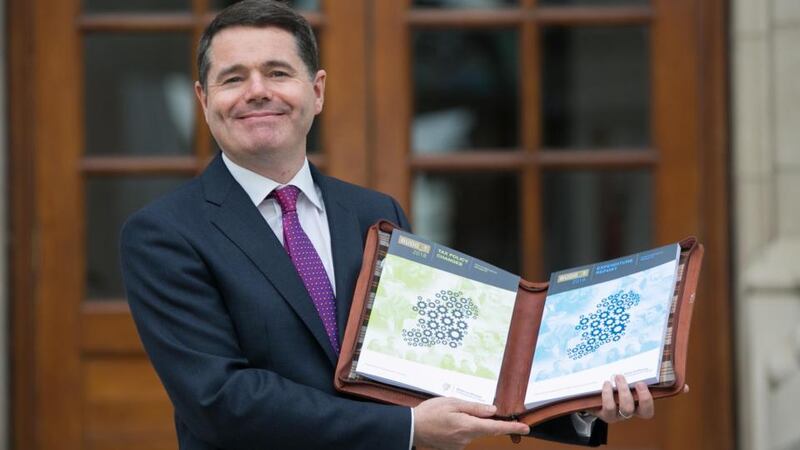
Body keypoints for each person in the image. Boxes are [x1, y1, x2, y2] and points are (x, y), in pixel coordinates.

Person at [120, 1, 656, 449]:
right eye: (234, 78)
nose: (257, 90)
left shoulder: (373, 213)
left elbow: (441, 357)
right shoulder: (164, 236)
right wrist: (406, 429)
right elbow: (220, 400)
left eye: (278, 73)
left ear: (317, 91)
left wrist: (578, 402)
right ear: (204, 100)